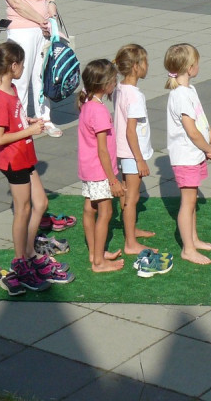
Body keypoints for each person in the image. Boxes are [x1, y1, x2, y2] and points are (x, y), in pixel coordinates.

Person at [0, 41, 71, 294]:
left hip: (24, 154)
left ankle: (29, 252)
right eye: (21, 64)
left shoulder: (10, 88)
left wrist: (27, 122)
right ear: (12, 65)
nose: (23, 68)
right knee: (23, 210)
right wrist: (29, 130)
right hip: (14, 160)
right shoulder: (1, 97)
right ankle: (21, 260)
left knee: (40, 204)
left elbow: (13, 123)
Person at [0, 0, 62, 136]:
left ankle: (45, 118)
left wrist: (51, 6)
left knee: (43, 75)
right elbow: (16, 3)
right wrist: (40, 20)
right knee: (21, 77)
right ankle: (23, 120)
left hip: (43, 28)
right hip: (22, 29)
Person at [164, 43, 211, 265]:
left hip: (194, 154)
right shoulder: (180, 96)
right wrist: (208, 148)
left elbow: (201, 120)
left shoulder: (190, 91)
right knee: (187, 203)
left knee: (192, 200)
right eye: (197, 62)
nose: (199, 65)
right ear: (189, 67)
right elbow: (191, 130)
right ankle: (188, 249)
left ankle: (193, 239)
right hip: (186, 157)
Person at [77, 58, 125, 273]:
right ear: (105, 85)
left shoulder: (87, 105)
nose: (115, 84)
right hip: (100, 172)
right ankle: (99, 262)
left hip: (88, 170)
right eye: (114, 80)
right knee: (105, 213)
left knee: (90, 209)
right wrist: (113, 179)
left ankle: (94, 253)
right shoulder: (99, 111)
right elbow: (103, 150)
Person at [113, 44, 156, 255]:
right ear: (137, 66)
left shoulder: (119, 88)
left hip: (120, 150)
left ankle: (130, 230)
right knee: (133, 197)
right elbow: (132, 131)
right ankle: (130, 243)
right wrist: (140, 159)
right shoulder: (135, 96)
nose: (148, 66)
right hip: (131, 152)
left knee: (125, 194)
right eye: (146, 62)